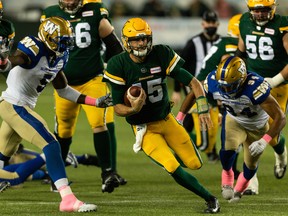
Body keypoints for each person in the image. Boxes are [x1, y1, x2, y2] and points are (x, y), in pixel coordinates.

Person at [103, 17, 220, 214]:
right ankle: (210, 198)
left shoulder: (161, 53)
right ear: (126, 41)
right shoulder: (117, 64)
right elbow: (117, 108)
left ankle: (171, 153)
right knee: (172, 166)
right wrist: (133, 109)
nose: (141, 43)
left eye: (144, 38)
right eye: (136, 39)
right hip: (144, 128)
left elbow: (194, 83)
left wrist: (202, 108)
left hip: (167, 120)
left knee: (195, 164)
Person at [0, 16, 113, 212]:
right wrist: (4, 61)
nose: (64, 45)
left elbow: (63, 89)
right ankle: (67, 198)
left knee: (5, 160)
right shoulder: (34, 47)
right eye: (60, 41)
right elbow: (14, 61)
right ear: (47, 37)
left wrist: (94, 101)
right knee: (52, 145)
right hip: (14, 104)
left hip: (19, 105)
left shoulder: (59, 56)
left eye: (67, 41)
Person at [41, 0, 126, 193]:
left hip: (92, 79)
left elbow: (114, 46)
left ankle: (108, 173)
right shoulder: (50, 14)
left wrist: (119, 74)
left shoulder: (95, 11)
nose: (70, 1)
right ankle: (58, 176)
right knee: (63, 130)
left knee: (99, 122)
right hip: (63, 83)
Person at [204, 56, 286, 202]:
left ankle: (240, 188)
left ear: (241, 80)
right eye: (223, 85)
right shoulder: (213, 80)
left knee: (250, 164)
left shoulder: (255, 87)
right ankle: (228, 175)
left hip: (258, 126)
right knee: (227, 150)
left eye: (230, 86)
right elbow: (195, 91)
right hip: (234, 120)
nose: (225, 89)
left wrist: (264, 141)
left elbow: (281, 118)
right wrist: (184, 114)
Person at [197, 14, 259, 195]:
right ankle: (238, 175)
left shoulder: (254, 41)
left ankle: (248, 177)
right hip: (233, 100)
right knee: (234, 144)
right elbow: (202, 78)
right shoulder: (225, 45)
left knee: (250, 142)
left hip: (249, 97)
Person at [236, 0, 288, 179]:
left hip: (277, 86)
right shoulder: (244, 21)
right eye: (256, 10)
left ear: (273, 8)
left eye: (264, 10)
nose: (260, 14)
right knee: (248, 129)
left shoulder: (282, 24)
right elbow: (241, 53)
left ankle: (281, 154)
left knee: (272, 132)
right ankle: (251, 179)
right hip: (251, 85)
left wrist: (273, 81)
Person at [171, 10, 220, 162]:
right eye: (208, 23)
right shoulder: (194, 42)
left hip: (216, 87)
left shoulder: (221, 42)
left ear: (217, 24)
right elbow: (178, 67)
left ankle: (183, 148)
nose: (210, 26)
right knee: (196, 118)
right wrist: (177, 90)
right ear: (203, 24)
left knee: (194, 121)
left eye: (213, 23)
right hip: (195, 86)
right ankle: (201, 148)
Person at [0, 0, 15, 80]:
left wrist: (4, 55)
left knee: (15, 78)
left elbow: (8, 46)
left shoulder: (7, 26)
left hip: (1, 56)